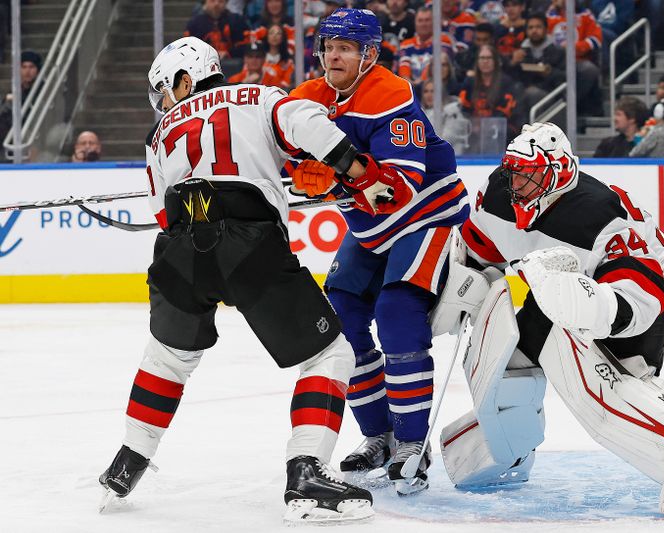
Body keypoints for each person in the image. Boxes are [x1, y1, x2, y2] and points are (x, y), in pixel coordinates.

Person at [98, 36, 390, 524]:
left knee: (167, 359)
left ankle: (127, 462)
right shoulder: (260, 96)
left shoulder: (158, 135)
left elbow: (160, 212)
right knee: (331, 353)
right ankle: (306, 472)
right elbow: (309, 126)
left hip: (177, 253)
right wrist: (360, 173)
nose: (163, 103)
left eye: (164, 90)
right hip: (249, 244)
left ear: (185, 80)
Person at [434, 121, 664, 515]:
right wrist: (457, 293)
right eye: (514, 172)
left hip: (642, 291)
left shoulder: (600, 215)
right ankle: (508, 453)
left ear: (559, 172)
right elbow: (480, 248)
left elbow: (643, 296)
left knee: (614, 385)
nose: (517, 183)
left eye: (529, 174)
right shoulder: (501, 191)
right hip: (557, 288)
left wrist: (589, 309)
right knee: (511, 362)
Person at [288, 8, 469, 495]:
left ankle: (413, 443)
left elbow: (400, 186)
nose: (333, 56)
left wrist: (332, 175)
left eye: (345, 47)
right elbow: (280, 142)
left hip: (425, 216)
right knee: (341, 319)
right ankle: (379, 436)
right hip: (370, 231)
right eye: (328, 46)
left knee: (396, 313)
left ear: (369, 54)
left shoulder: (390, 95)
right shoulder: (313, 97)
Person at [184, 0, 249, 59]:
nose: (216, 4)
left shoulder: (236, 20)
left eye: (220, 1)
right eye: (212, 1)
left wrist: (228, 53)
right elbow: (188, 48)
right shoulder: (195, 23)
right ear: (205, 2)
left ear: (226, 3)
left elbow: (245, 45)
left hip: (231, 63)